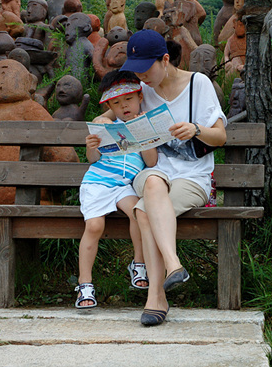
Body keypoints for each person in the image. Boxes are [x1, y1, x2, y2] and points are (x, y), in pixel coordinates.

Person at [97, 29, 226, 325]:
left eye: (146, 69)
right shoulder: (143, 89)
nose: (141, 76)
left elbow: (220, 136)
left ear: (165, 60)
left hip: (194, 176)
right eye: (136, 70)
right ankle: (173, 264)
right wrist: (104, 120)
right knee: (153, 181)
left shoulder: (198, 84)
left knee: (143, 212)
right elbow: (113, 111)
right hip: (153, 170)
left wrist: (195, 129)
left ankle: (156, 297)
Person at [76, 70, 158, 309]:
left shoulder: (145, 124)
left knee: (138, 212)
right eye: (117, 103)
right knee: (94, 226)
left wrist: (144, 136)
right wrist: (91, 145)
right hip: (98, 183)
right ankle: (85, 284)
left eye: (129, 100)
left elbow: (151, 162)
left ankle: (138, 264)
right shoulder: (108, 126)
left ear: (140, 97)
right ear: (110, 106)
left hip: (125, 186)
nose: (124, 106)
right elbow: (93, 159)